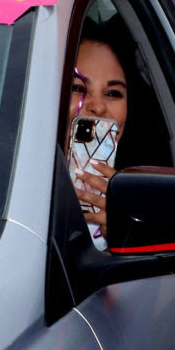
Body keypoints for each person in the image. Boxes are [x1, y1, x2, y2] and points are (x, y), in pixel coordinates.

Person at [69, 34, 131, 233]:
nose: (97, 107)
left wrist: (125, 237)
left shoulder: (139, 202)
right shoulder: (0, 174)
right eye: (77, 88)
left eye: (113, 93)